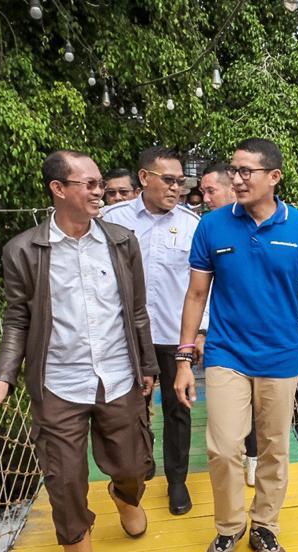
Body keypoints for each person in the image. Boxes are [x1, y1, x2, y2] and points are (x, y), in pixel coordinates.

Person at [0, 150, 157, 552]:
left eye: (100, 183)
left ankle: (125, 496)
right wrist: (3, 377)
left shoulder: (122, 242)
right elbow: (17, 320)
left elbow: (138, 312)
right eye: (87, 184)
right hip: (58, 384)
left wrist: (147, 366)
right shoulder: (23, 250)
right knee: (64, 477)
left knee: (133, 463)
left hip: (119, 375)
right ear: (58, 189)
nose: (99, 191)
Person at [174, 138, 298, 552]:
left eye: (247, 171)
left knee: (273, 448)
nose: (237, 178)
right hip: (227, 354)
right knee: (224, 447)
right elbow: (195, 294)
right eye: (234, 170)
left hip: (281, 357)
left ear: (274, 177)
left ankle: (264, 525)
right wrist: (183, 358)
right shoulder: (212, 227)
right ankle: (228, 527)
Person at [101, 147, 207, 516]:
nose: (177, 188)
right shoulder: (110, 220)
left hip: (172, 333)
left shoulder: (193, 225)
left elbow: (203, 285)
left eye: (181, 181)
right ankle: (138, 468)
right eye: (169, 180)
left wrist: (199, 334)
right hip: (125, 334)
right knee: (129, 406)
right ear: (144, 179)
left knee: (179, 406)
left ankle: (177, 480)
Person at [200, 160, 259, 487]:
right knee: (227, 421)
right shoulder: (208, 228)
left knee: (259, 405)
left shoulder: (266, 222)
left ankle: (253, 456)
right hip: (223, 340)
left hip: (263, 339)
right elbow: (198, 290)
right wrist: (198, 333)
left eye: (211, 190)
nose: (205, 197)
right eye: (203, 191)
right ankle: (230, 518)